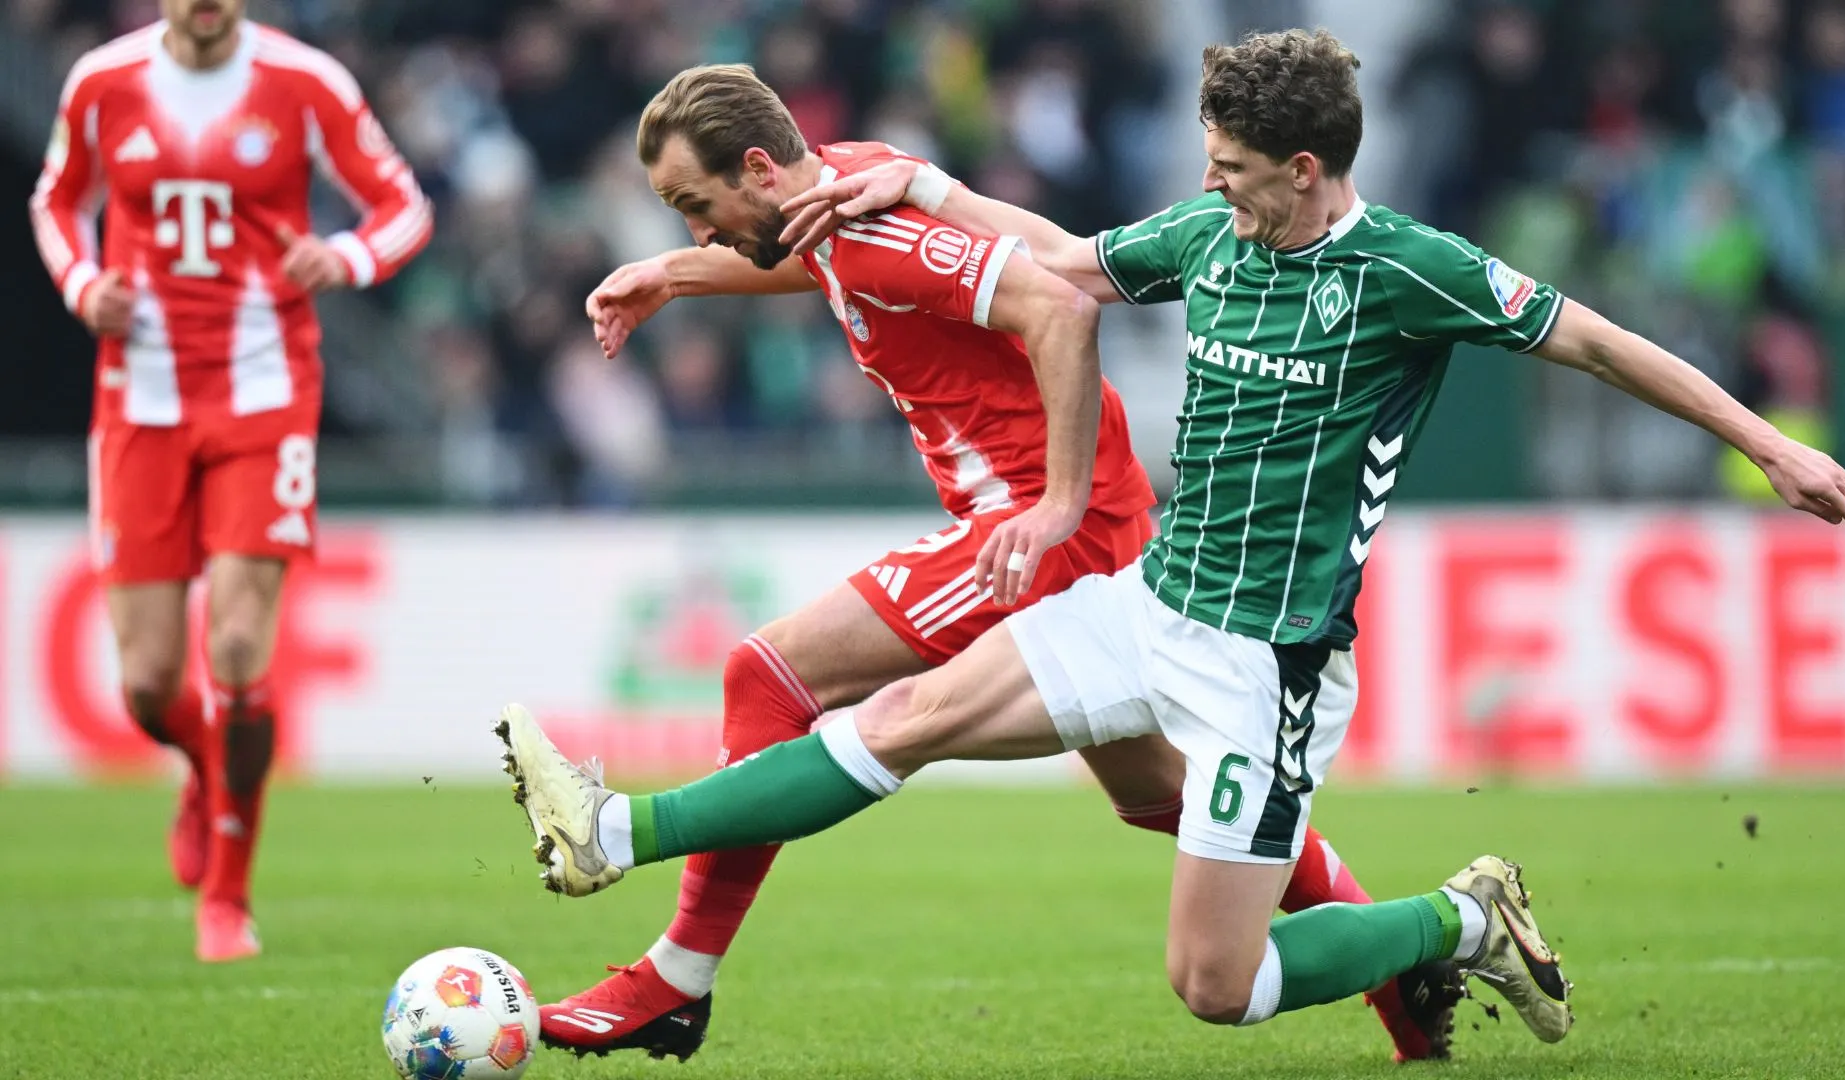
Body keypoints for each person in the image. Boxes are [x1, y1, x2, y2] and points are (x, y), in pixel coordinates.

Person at [535, 64, 1461, 1064]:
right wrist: (677, 276)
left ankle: (674, 975)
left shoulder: (874, 224)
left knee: (766, 675)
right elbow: (821, 265)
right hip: (1059, 517)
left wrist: (1058, 504)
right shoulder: (838, 195)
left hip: (1037, 524)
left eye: (691, 207)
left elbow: (1058, 305)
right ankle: (1401, 968)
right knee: (1164, 797)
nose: (693, 230)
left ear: (758, 168)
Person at [29, 0, 432, 962]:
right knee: (146, 684)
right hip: (140, 398)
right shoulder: (102, 82)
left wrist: (344, 255)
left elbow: (404, 205)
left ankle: (228, 895)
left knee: (242, 648)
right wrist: (85, 286)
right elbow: (55, 202)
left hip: (266, 390)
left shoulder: (305, 82)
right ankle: (209, 771)